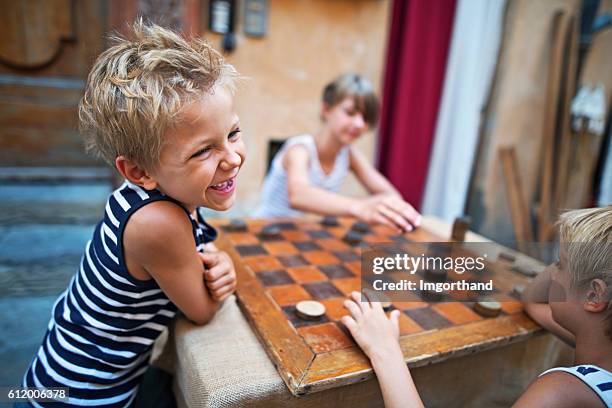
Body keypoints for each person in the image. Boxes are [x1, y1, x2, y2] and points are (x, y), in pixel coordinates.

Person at [20, 22, 244, 407]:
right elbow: (203, 310)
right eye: (202, 151)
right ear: (140, 172)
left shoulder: (152, 196)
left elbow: (198, 257)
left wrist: (217, 260)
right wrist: (224, 279)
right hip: (80, 394)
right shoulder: (158, 223)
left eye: (234, 133)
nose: (233, 157)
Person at [342, 206, 612, 408]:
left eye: (560, 265)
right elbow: (532, 300)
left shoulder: (564, 392)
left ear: (593, 295)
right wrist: (568, 260)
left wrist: (384, 350)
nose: (552, 272)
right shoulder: (600, 351)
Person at [255, 73, 421, 232]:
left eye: (365, 118)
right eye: (350, 113)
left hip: (304, 233)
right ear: (326, 109)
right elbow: (299, 195)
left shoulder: (349, 155)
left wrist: (378, 207)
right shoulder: (299, 149)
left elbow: (392, 195)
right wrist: (360, 207)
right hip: (264, 231)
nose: (359, 124)